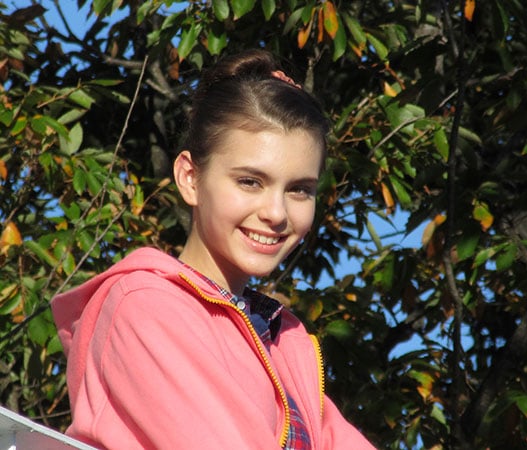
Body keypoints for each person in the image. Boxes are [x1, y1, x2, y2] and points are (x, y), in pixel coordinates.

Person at [51, 49, 376, 450]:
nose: (276, 213)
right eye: (250, 182)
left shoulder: (285, 341)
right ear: (190, 178)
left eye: (299, 190)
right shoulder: (144, 307)